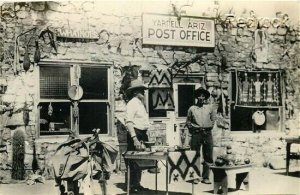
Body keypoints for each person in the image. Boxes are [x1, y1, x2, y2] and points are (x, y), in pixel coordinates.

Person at [185, 87, 217, 184]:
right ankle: (195, 176)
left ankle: (205, 177)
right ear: (196, 97)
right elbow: (188, 121)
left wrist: (209, 127)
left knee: (208, 156)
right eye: (199, 95)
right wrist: (194, 129)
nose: (201, 98)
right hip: (196, 134)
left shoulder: (210, 108)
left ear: (205, 97)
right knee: (195, 155)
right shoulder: (192, 108)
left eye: (203, 96)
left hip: (207, 133)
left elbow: (213, 119)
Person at [125, 79, 150, 193]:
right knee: (133, 160)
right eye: (141, 91)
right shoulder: (132, 103)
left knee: (140, 160)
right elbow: (129, 122)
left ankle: (137, 183)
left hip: (142, 133)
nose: (143, 92)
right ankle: (131, 186)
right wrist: (134, 138)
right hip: (135, 133)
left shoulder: (140, 103)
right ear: (135, 92)